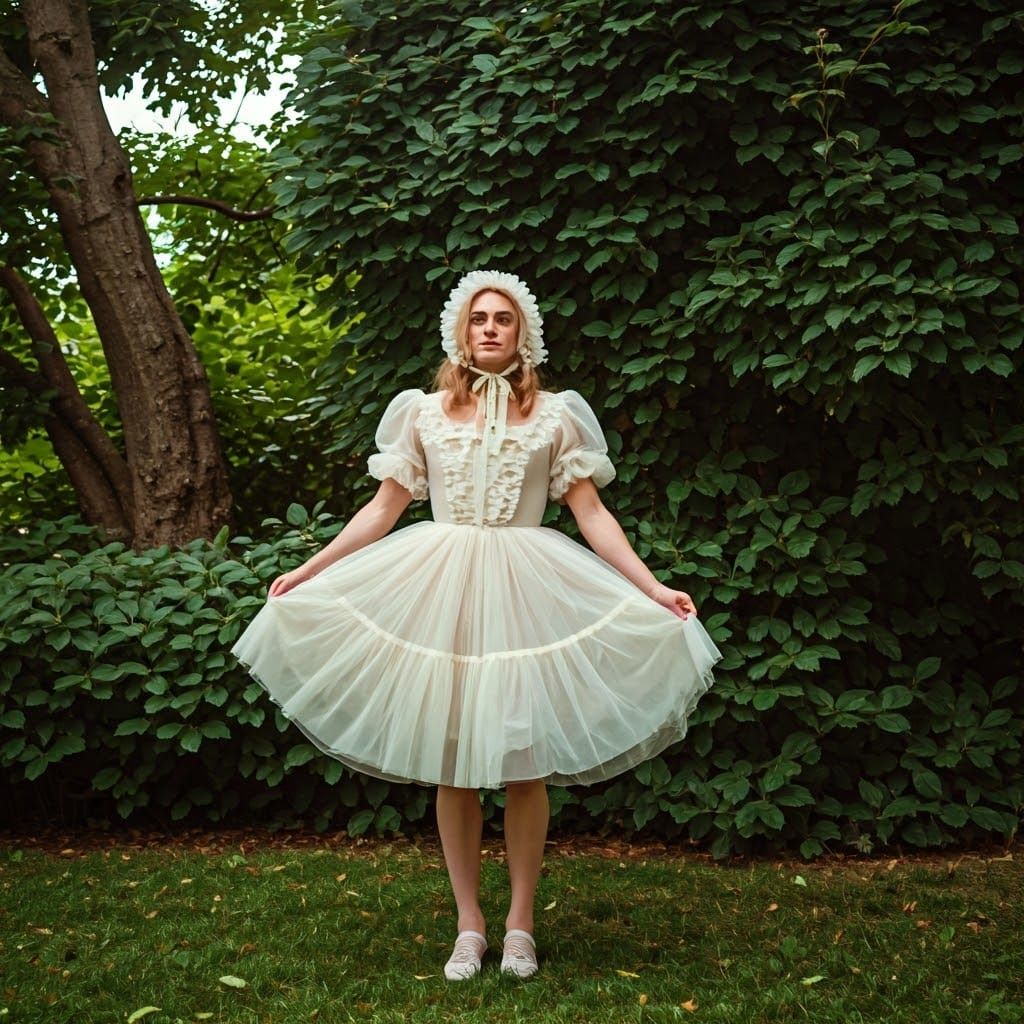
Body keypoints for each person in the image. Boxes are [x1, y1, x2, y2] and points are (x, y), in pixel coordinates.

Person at [230, 269, 723, 981]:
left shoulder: (555, 415)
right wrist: (309, 570)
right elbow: (383, 509)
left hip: (527, 590)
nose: (490, 328)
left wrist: (651, 587)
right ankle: (470, 924)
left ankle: (520, 922)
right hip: (443, 589)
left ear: (524, 336)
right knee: (453, 762)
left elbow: (590, 514)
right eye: (478, 319)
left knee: (523, 765)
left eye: (504, 320)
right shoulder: (423, 413)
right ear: (459, 334)